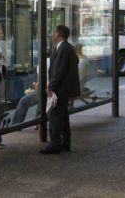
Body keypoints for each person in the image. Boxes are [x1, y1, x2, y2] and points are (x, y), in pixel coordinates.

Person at [40, 25, 80, 154]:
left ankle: (55, 144)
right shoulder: (68, 47)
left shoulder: (63, 49)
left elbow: (59, 70)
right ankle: (65, 143)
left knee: (54, 115)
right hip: (65, 88)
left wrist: (51, 86)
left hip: (60, 89)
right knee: (63, 116)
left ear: (58, 34)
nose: (53, 34)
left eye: (54, 32)